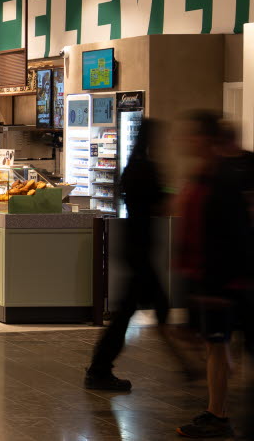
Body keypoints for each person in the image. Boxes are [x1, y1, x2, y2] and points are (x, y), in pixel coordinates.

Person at [85, 118, 189, 391]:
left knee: (143, 310)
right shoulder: (149, 168)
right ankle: (99, 369)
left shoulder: (133, 166)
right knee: (130, 314)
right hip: (141, 249)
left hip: (133, 246)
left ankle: (187, 364)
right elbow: (162, 204)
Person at [176, 114, 254, 439]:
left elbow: (232, 234)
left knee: (219, 348)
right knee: (216, 349)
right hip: (214, 280)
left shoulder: (221, 180)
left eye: (192, 136)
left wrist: (216, 283)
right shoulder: (207, 176)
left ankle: (219, 415)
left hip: (222, 282)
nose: (185, 142)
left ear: (209, 140)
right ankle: (217, 412)